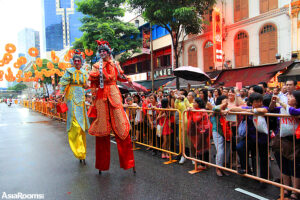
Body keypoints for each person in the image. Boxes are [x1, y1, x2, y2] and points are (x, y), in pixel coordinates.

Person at [88, 39, 135, 174]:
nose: (102, 53)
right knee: (102, 130)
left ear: (108, 52)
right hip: (102, 98)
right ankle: (102, 165)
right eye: (100, 51)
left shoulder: (115, 64)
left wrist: (128, 80)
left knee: (121, 127)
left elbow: (121, 76)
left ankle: (128, 162)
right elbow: (93, 82)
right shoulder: (97, 66)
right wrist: (93, 98)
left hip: (114, 95)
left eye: (104, 51)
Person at [59, 49, 90, 164]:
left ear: (81, 62)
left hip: (81, 98)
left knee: (81, 125)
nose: (77, 62)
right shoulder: (69, 71)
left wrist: (88, 85)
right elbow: (63, 83)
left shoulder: (84, 72)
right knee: (75, 124)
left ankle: (82, 152)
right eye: (75, 60)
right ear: (73, 62)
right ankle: (78, 151)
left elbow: (86, 84)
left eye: (79, 60)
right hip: (71, 98)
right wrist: (60, 94)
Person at [269, 92, 300, 199]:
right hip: (282, 140)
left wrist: (281, 102)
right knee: (284, 166)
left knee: (294, 167)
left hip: (295, 142)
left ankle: (295, 192)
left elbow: (293, 111)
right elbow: (271, 109)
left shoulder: (295, 110)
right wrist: (273, 102)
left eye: (291, 97)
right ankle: (286, 188)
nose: (288, 97)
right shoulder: (282, 108)